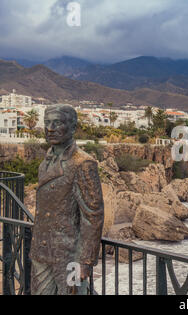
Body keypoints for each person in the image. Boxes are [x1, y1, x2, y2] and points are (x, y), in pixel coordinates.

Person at [30, 104, 104, 295]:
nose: (50, 128)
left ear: (72, 127)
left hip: (68, 256)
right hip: (41, 252)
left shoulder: (82, 163)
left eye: (57, 123)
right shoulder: (45, 163)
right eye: (47, 123)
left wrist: (85, 261)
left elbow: (93, 216)